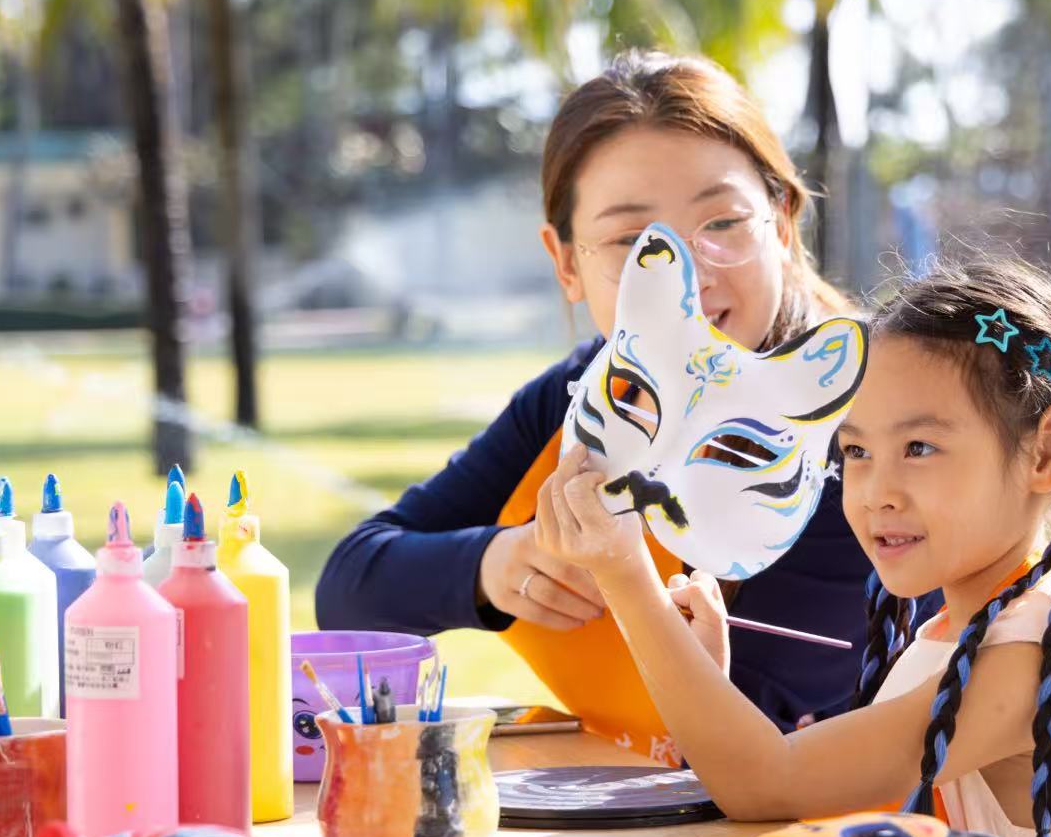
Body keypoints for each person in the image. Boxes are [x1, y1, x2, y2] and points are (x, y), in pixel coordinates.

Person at [534, 255, 1051, 837]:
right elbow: (825, 797)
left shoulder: (1018, 663)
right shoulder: (966, 626)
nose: (876, 490)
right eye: (857, 451)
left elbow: (770, 784)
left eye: (919, 447)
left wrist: (625, 574)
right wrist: (710, 672)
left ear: (1047, 451)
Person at [315, 51, 938, 762]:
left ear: (784, 224)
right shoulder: (572, 399)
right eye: (630, 239)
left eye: (724, 223)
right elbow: (348, 591)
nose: (686, 269)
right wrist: (495, 566)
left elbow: (771, 730)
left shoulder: (872, 425)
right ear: (566, 263)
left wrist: (628, 580)